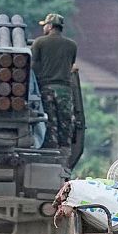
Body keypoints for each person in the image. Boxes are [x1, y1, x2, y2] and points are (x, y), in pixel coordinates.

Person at [30, 13, 77, 149]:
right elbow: (70, 65)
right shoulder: (72, 45)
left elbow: (32, 65)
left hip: (46, 87)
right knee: (65, 119)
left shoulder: (39, 42)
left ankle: (51, 147)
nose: (44, 28)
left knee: (49, 120)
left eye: (45, 25)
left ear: (50, 26)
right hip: (65, 89)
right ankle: (64, 147)